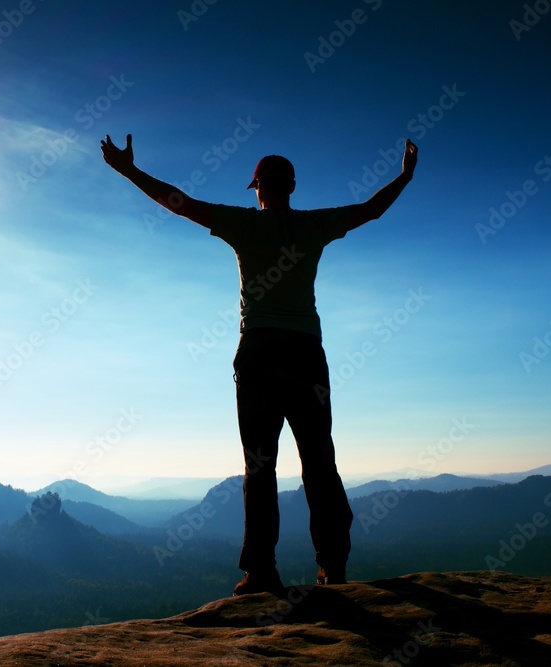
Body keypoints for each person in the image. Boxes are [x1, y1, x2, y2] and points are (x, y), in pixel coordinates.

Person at [100, 133, 418, 595]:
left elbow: (180, 203)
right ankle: (332, 565)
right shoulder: (314, 226)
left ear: (259, 189)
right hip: (307, 355)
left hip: (259, 354)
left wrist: (128, 171)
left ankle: (262, 571)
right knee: (319, 462)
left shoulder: (242, 225)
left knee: (260, 466)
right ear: (291, 186)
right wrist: (404, 176)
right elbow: (371, 209)